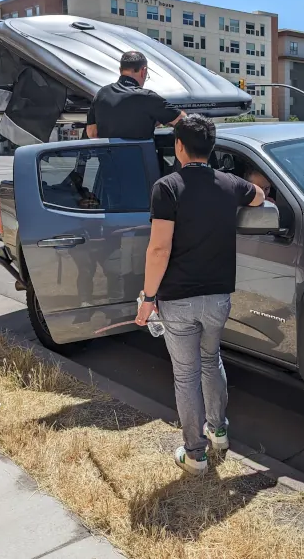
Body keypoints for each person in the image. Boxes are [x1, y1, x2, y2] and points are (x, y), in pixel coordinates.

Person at [135, 114, 265, 474]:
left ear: (178, 146)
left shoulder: (168, 187)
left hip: (178, 300)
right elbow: (258, 196)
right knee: (212, 361)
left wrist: (148, 299)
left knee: (186, 375)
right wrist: (251, 187)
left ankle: (195, 455)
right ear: (211, 148)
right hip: (218, 298)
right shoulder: (229, 184)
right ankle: (219, 432)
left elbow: (158, 250)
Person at [86, 50, 186, 139]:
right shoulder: (147, 97)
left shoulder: (101, 93)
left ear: (120, 70)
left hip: (108, 159)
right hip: (140, 159)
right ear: (143, 71)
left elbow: (92, 133)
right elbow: (183, 121)